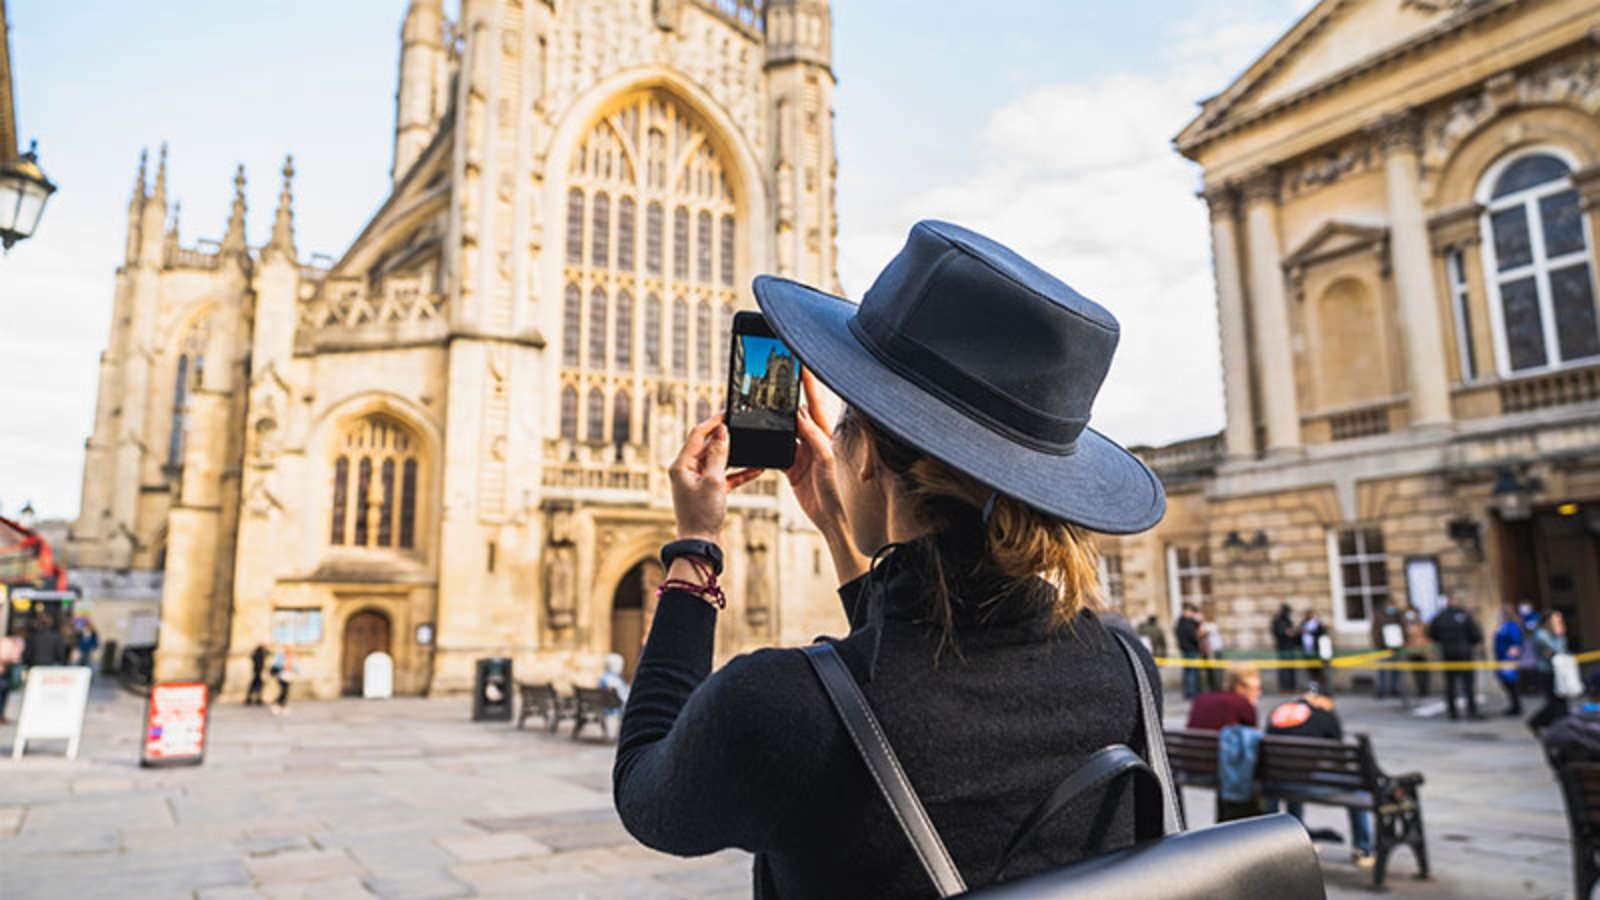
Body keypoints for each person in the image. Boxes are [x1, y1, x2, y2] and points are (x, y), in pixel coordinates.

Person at [612, 221, 1171, 895]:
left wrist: (693, 553)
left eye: (848, 422)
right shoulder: (1125, 671)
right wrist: (837, 530)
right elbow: (915, 667)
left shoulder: (779, 707)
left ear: (868, 454)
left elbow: (647, 791)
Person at [1266, 685, 1375, 868]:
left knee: (1296, 773)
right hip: (1304, 782)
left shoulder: (1279, 711)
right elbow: (1340, 758)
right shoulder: (1325, 715)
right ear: (1324, 700)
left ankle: (1297, 840)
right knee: (1357, 788)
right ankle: (1363, 849)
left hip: (1275, 782)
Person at [1428, 596, 1484, 720]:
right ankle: (1471, 711)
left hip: (1448, 654)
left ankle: (1452, 712)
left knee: (1450, 685)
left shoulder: (1440, 617)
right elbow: (1476, 635)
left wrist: (1443, 642)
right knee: (1468, 684)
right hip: (1464, 654)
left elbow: (1431, 633)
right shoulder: (1464, 615)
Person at [1527, 610, 1573, 733]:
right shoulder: (1541, 634)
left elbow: (1562, 650)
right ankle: (1537, 722)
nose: (1559, 623)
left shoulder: (1557, 634)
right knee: (1555, 702)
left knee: (1561, 701)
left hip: (1560, 671)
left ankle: (1561, 725)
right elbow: (1554, 650)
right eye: (1556, 621)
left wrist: (1559, 636)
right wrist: (1558, 636)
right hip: (1547, 673)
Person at [1186, 664, 1262, 730]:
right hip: (1219, 747)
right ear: (1240, 687)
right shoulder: (1242, 704)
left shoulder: (1201, 699)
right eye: (1256, 689)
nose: (1259, 694)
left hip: (1190, 746)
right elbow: (1254, 737)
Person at [1491, 604, 1525, 716]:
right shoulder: (1502, 626)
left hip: (1507, 659)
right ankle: (1513, 705)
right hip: (1500, 658)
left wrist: (1511, 656)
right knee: (1506, 683)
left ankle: (1517, 706)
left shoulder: (1511, 626)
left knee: (1512, 683)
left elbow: (1516, 643)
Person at [1368, 604, 1403, 699]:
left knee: (1395, 668)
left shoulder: (1397, 615)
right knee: (1382, 669)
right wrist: (1379, 643)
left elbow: (1402, 629)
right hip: (1381, 647)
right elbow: (1375, 631)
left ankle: (1394, 689)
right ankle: (1381, 690)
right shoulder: (1379, 615)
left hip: (1395, 647)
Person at [1401, 608, 1432, 699]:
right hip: (1412, 651)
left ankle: (1424, 690)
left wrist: (1429, 650)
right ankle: (1420, 691)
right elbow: (1405, 639)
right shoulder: (1406, 626)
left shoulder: (1423, 625)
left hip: (1423, 651)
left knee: (1425, 672)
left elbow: (1428, 638)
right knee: (1416, 673)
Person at [1176, 602, 1203, 700]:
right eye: (1191, 612)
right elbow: (1194, 636)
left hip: (1184, 649)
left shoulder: (1180, 623)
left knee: (1187, 672)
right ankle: (1192, 692)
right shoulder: (1187, 624)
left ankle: (1188, 692)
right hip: (1191, 649)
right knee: (1192, 672)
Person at [1271, 604, 1300, 693]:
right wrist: (1286, 632)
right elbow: (1279, 632)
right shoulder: (1278, 621)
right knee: (1284, 669)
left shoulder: (1287, 620)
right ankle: (1284, 688)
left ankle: (1292, 688)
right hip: (1283, 648)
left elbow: (1292, 632)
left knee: (1292, 669)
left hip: (1290, 647)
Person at [269, 646, 294, 716]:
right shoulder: (280, 657)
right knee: (283, 691)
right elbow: (276, 666)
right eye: (289, 650)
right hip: (282, 676)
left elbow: (294, 667)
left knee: (286, 692)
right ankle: (277, 705)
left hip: (289, 676)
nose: (290, 651)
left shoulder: (292, 657)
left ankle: (283, 706)